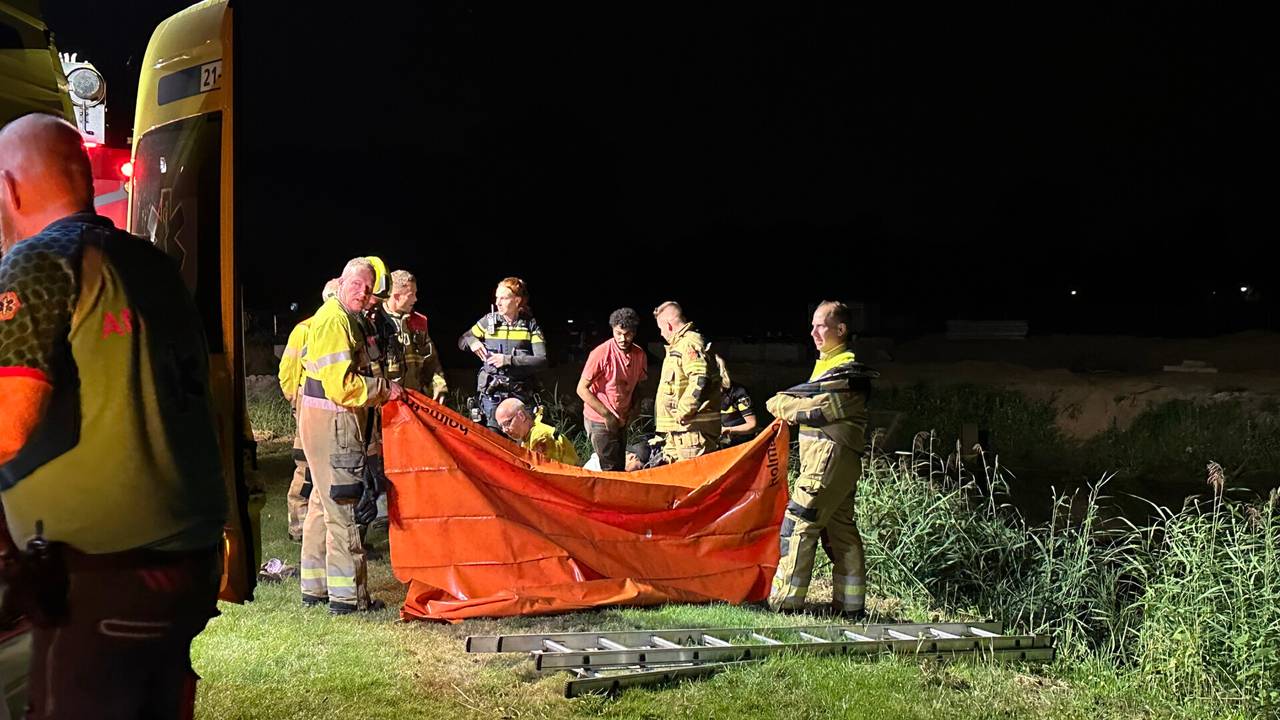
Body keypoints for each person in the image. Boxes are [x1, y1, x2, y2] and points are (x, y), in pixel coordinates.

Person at [0, 113, 227, 717]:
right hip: (185, 563)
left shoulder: (39, 261)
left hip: (105, 579)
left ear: (9, 188)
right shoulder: (152, 265)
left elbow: (7, 425)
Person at [297, 257, 403, 615]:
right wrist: (384, 390)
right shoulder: (335, 320)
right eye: (356, 285)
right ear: (341, 282)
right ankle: (349, 598)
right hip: (336, 423)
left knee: (319, 504)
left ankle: (316, 588)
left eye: (368, 288)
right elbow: (343, 386)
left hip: (323, 423)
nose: (363, 293)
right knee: (343, 508)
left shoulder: (343, 317)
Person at [765, 301, 874, 619]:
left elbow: (815, 409)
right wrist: (791, 400)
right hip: (829, 461)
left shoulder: (848, 371)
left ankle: (785, 603)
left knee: (799, 523)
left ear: (841, 330)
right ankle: (850, 606)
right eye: (812, 326)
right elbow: (807, 397)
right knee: (841, 531)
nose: (813, 332)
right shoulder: (827, 367)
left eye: (821, 326)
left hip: (829, 459)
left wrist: (780, 404)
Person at [278, 278, 341, 541]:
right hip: (309, 405)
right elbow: (288, 373)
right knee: (305, 468)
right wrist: (297, 405)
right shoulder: (305, 329)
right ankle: (299, 525)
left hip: (335, 410)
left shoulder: (344, 328)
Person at [458, 277, 546, 430]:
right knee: (492, 444)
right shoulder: (488, 321)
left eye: (504, 298)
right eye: (497, 298)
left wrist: (509, 360)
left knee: (521, 445)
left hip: (519, 398)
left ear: (517, 300)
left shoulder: (530, 326)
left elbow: (541, 360)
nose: (498, 302)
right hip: (492, 397)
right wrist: (473, 342)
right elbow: (463, 339)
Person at [576, 307, 648, 470]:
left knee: (619, 466)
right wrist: (607, 415)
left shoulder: (639, 354)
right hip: (599, 418)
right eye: (618, 333)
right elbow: (581, 389)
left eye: (627, 333)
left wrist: (634, 409)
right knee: (610, 469)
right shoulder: (601, 353)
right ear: (613, 330)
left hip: (622, 418)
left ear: (634, 332)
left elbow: (640, 385)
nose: (622, 338)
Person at [652, 301, 721, 463]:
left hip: (691, 433)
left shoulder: (689, 343)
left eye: (661, 329)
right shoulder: (680, 345)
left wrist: (685, 410)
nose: (661, 334)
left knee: (693, 481)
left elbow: (700, 377)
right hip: (680, 431)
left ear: (668, 326)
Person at [384, 269, 447, 401]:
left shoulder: (418, 322)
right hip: (387, 404)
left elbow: (431, 362)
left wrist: (439, 386)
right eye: (411, 294)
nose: (416, 299)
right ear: (396, 296)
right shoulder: (377, 322)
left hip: (415, 401)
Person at [493, 397, 580, 465]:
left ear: (521, 416)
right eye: (502, 427)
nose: (505, 430)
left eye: (507, 423)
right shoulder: (527, 437)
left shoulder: (540, 437)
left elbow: (547, 472)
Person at [717, 356, 758, 447]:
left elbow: (752, 425)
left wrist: (728, 430)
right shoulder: (702, 393)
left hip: (741, 444)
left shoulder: (738, 392)